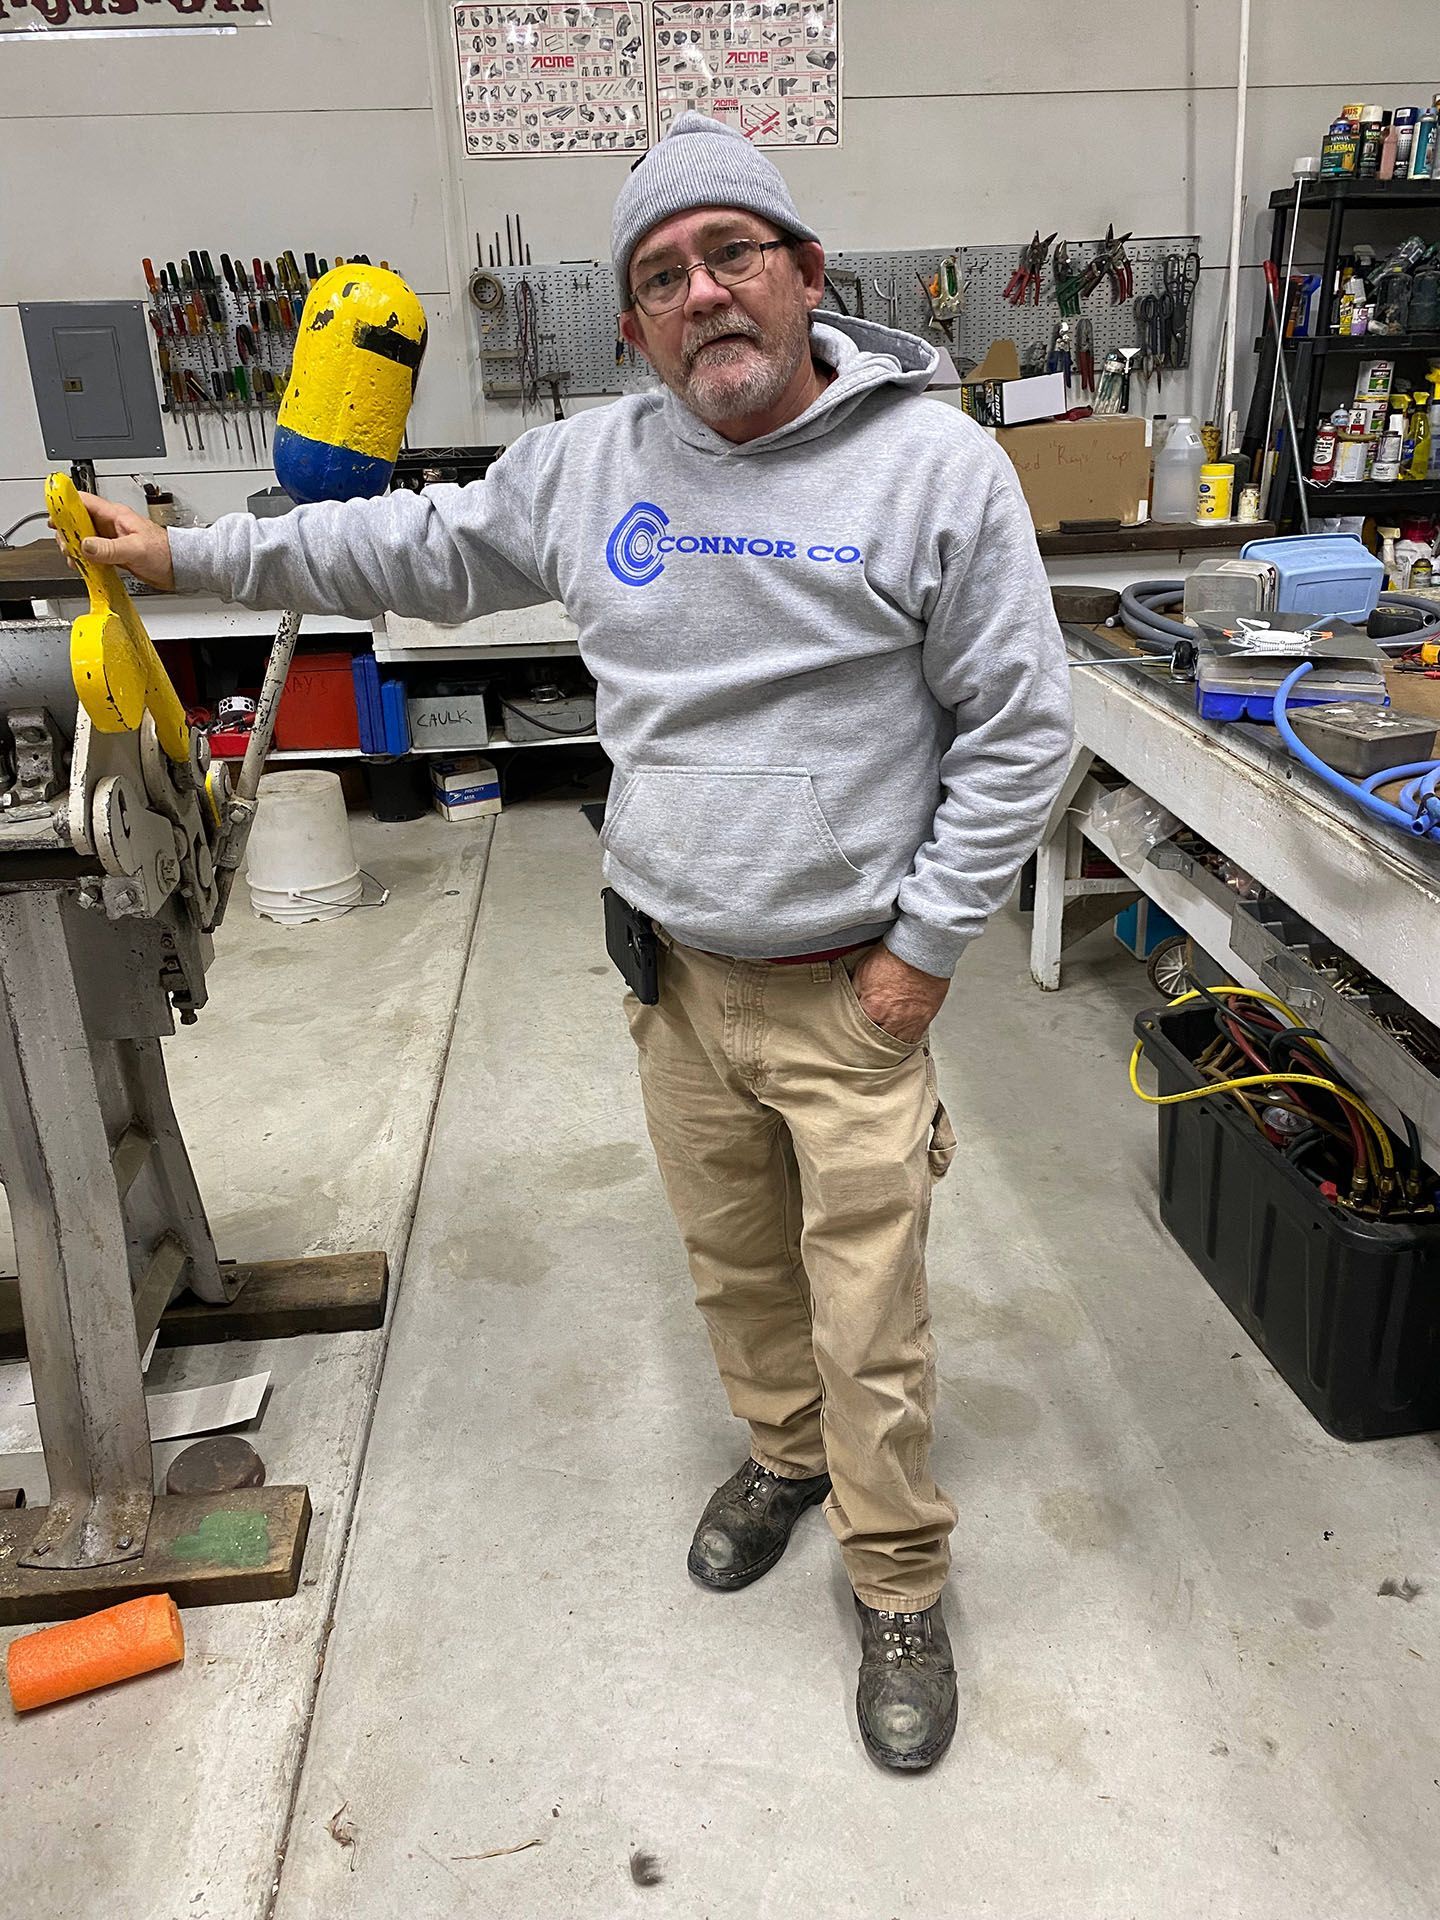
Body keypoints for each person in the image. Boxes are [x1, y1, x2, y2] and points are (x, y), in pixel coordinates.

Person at [73, 113, 1072, 1772]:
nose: (705, 295)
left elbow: (1022, 734)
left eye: (733, 254)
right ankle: (783, 1454)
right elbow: (400, 543)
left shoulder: (935, 470)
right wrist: (190, 553)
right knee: (739, 1271)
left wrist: (927, 950)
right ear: (635, 324)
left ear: (807, 275)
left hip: (853, 995)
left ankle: (895, 1575)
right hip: (675, 978)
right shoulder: (591, 466)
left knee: (869, 1310)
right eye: (663, 276)